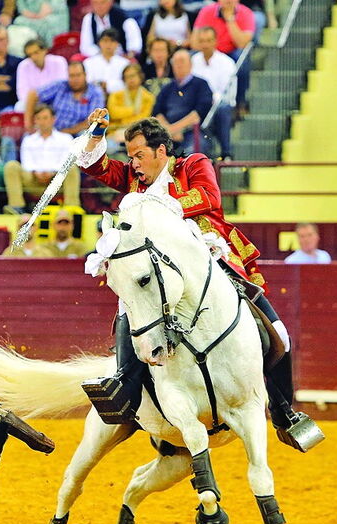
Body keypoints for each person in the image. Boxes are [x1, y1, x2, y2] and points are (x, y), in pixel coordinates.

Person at [77, 110, 322, 452]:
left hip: (207, 260)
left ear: (161, 151)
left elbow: (209, 198)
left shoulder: (193, 164)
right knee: (129, 307)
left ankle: (284, 412)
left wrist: (149, 204)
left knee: (278, 333)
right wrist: (95, 134)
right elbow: (95, 166)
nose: (133, 164)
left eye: (139, 156)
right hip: (160, 274)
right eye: (130, 157)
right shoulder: (136, 180)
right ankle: (125, 384)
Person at [4, 104, 80, 211]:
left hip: (57, 180)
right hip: (33, 179)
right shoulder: (28, 139)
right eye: (38, 118)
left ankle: (72, 209)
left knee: (72, 168)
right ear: (35, 120)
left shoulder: (65, 138)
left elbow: (67, 161)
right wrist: (37, 172)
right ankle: (16, 208)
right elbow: (27, 162)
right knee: (11, 166)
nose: (42, 122)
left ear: (53, 119)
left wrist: (52, 172)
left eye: (45, 118)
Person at [192, 0, 255, 109]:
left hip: (232, 51)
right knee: (188, 57)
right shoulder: (206, 11)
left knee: (242, 59)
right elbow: (194, 42)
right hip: (210, 50)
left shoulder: (246, 13)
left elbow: (242, 44)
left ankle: (240, 103)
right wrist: (209, 46)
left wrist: (230, 19)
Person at [152, 49, 213, 155]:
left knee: (192, 153)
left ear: (190, 64)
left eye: (182, 61)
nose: (179, 65)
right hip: (167, 134)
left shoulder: (201, 84)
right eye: (176, 62)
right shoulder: (167, 87)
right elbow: (157, 112)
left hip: (192, 132)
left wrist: (174, 129)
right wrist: (168, 131)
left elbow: (198, 114)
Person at [191, 25, 235, 158]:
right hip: (198, 105)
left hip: (219, 105)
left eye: (209, 40)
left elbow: (228, 94)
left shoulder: (227, 63)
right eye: (202, 41)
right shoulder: (193, 61)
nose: (205, 45)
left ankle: (226, 153)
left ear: (215, 41)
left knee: (222, 109)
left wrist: (208, 99)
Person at [26, 62, 105, 135]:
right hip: (52, 129)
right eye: (72, 76)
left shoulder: (95, 92)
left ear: (85, 75)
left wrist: (65, 133)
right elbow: (32, 94)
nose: (75, 79)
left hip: (77, 133)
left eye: (78, 75)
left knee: (87, 135)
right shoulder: (60, 85)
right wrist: (29, 123)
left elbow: (94, 121)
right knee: (29, 135)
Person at [106, 64, 154, 145]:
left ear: (140, 76)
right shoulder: (115, 95)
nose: (130, 79)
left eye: (132, 75)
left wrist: (122, 119)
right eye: (127, 77)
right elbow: (113, 114)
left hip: (139, 134)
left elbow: (143, 119)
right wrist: (134, 110)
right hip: (115, 133)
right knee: (109, 147)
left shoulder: (149, 97)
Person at [15, 38, 68, 111]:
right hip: (34, 102)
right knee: (19, 106)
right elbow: (22, 92)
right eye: (30, 55)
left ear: (45, 50)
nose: (33, 57)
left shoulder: (59, 62)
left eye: (36, 52)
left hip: (55, 100)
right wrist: (34, 101)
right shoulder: (23, 66)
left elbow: (62, 86)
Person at [83, 29, 132, 96]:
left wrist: (107, 86)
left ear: (117, 44)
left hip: (118, 98)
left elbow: (127, 83)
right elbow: (87, 82)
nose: (108, 44)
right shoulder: (88, 63)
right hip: (94, 98)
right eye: (105, 40)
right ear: (99, 43)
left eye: (112, 41)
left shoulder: (125, 63)